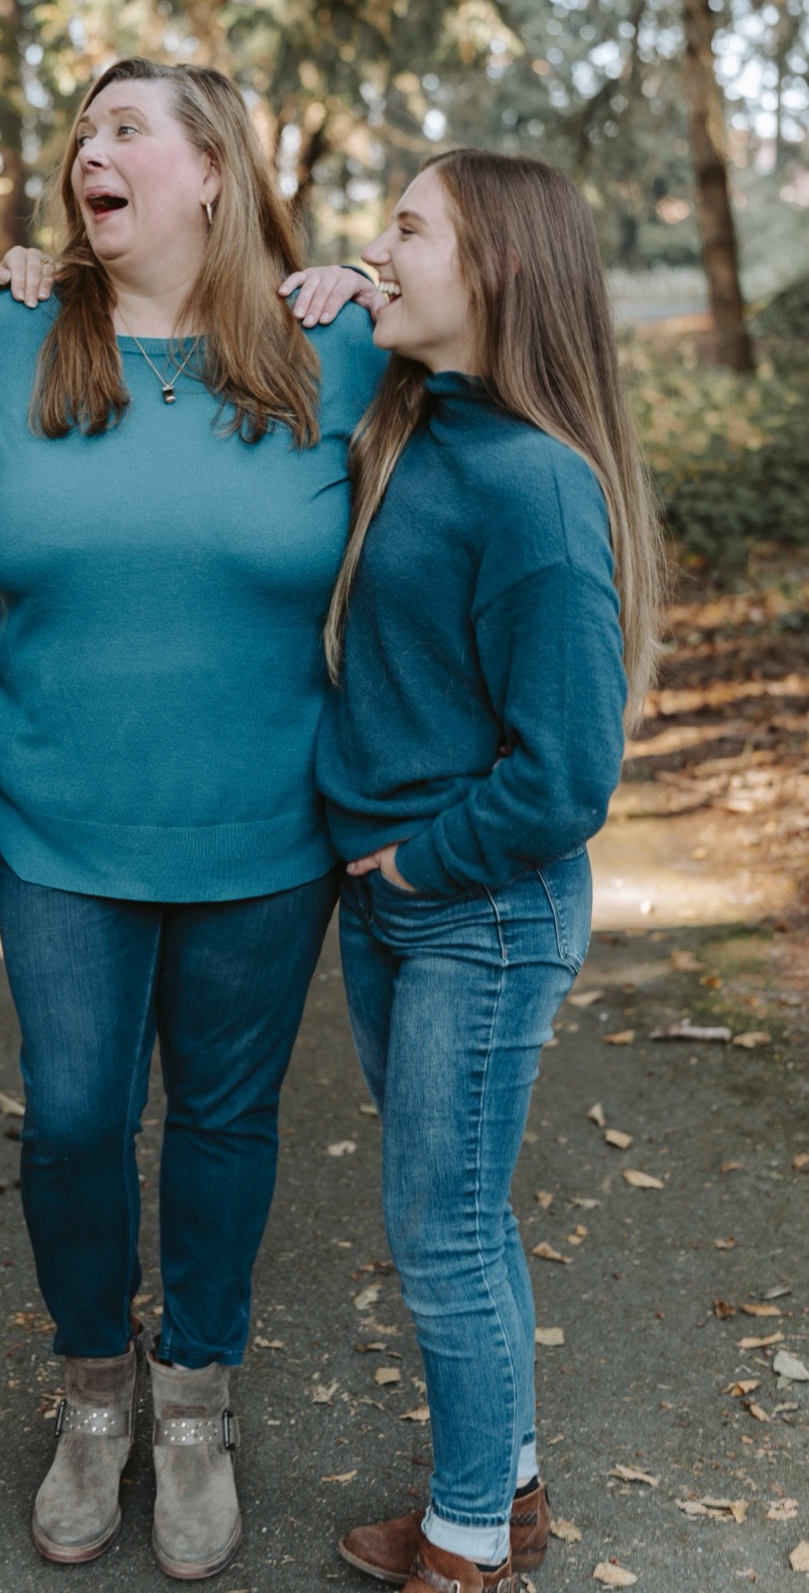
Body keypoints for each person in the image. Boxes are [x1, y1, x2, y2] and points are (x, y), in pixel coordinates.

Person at [0, 57, 379, 1580]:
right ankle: (93, 1394)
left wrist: (368, 268)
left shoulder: (342, 352)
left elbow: (511, 351)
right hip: (61, 825)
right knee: (70, 1120)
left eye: (125, 128)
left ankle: (195, 1400)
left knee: (227, 1121)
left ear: (211, 173)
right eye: (79, 131)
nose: (85, 150)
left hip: (266, 828)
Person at [319, 150, 663, 1593]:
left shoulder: (532, 483)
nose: (375, 246)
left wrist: (412, 871)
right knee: (462, 1213)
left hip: (478, 906)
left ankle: (464, 1548)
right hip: (398, 898)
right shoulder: (419, 422)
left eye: (405, 228)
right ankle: (503, 1489)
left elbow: (567, 772)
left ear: (496, 270)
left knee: (439, 1231)